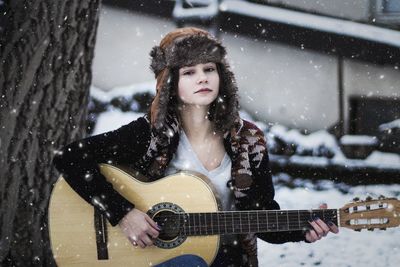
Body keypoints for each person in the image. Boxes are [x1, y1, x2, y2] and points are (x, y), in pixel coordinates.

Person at [53, 27, 338, 267]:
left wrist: (303, 229)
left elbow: (261, 214)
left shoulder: (249, 140)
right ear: (170, 83)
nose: (202, 77)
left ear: (221, 77)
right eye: (189, 72)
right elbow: (70, 158)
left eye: (209, 69)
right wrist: (123, 214)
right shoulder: (150, 134)